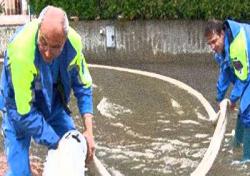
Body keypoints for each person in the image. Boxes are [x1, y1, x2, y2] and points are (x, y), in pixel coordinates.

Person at [0, 5, 95, 175]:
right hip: (17, 108)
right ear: (38, 29)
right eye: (43, 42)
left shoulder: (73, 45)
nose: (47, 52)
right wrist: (56, 142)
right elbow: (24, 112)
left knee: (72, 145)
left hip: (52, 103)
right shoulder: (21, 52)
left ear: (64, 41)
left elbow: (83, 85)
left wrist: (89, 131)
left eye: (55, 47)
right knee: (19, 172)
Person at [204, 19, 250, 163]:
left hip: (246, 70)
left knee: (247, 111)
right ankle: (237, 143)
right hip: (245, 69)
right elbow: (225, 73)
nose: (212, 47)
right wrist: (220, 99)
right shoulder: (221, 49)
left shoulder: (237, 46)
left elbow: (243, 78)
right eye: (209, 43)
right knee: (243, 110)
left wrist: (232, 99)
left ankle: (247, 158)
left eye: (214, 41)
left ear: (222, 33)